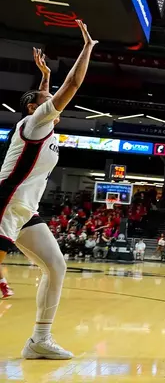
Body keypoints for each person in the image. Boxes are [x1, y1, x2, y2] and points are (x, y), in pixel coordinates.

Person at [0, 20, 96, 359]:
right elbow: (71, 85)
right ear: (33, 107)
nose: (53, 100)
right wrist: (87, 48)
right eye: (46, 98)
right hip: (6, 202)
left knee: (56, 266)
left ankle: (39, 341)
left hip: (26, 210)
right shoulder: (34, 121)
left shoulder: (42, 126)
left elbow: (48, 94)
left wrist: (43, 76)